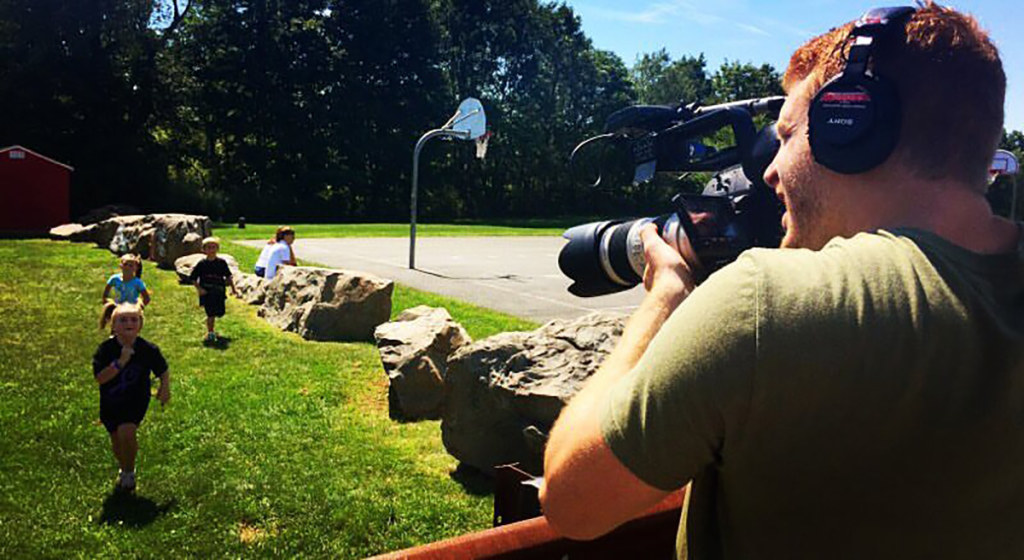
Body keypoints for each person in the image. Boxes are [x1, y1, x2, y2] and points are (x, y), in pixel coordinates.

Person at [541, 4, 1024, 559]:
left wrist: (665, 297)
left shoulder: (763, 305)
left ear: (851, 126)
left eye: (787, 135)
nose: (769, 171)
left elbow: (573, 502)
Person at [93, 301, 170, 493]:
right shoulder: (106, 350)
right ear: (113, 325)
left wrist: (165, 388)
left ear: (140, 324)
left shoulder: (148, 349)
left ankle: (129, 472)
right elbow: (101, 379)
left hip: (135, 400)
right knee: (117, 441)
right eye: (123, 319)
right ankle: (124, 467)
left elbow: (163, 369)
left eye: (134, 319)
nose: (129, 323)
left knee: (127, 432)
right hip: (111, 403)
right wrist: (121, 362)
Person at [190, 236, 237, 342]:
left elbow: (228, 276)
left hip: (219, 291)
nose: (211, 250)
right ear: (204, 250)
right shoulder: (202, 264)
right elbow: (192, 278)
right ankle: (210, 332)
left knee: (220, 312)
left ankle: (210, 324)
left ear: (217, 249)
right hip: (206, 292)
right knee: (210, 313)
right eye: (209, 247)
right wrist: (199, 289)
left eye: (214, 247)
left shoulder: (221, 263)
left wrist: (233, 289)